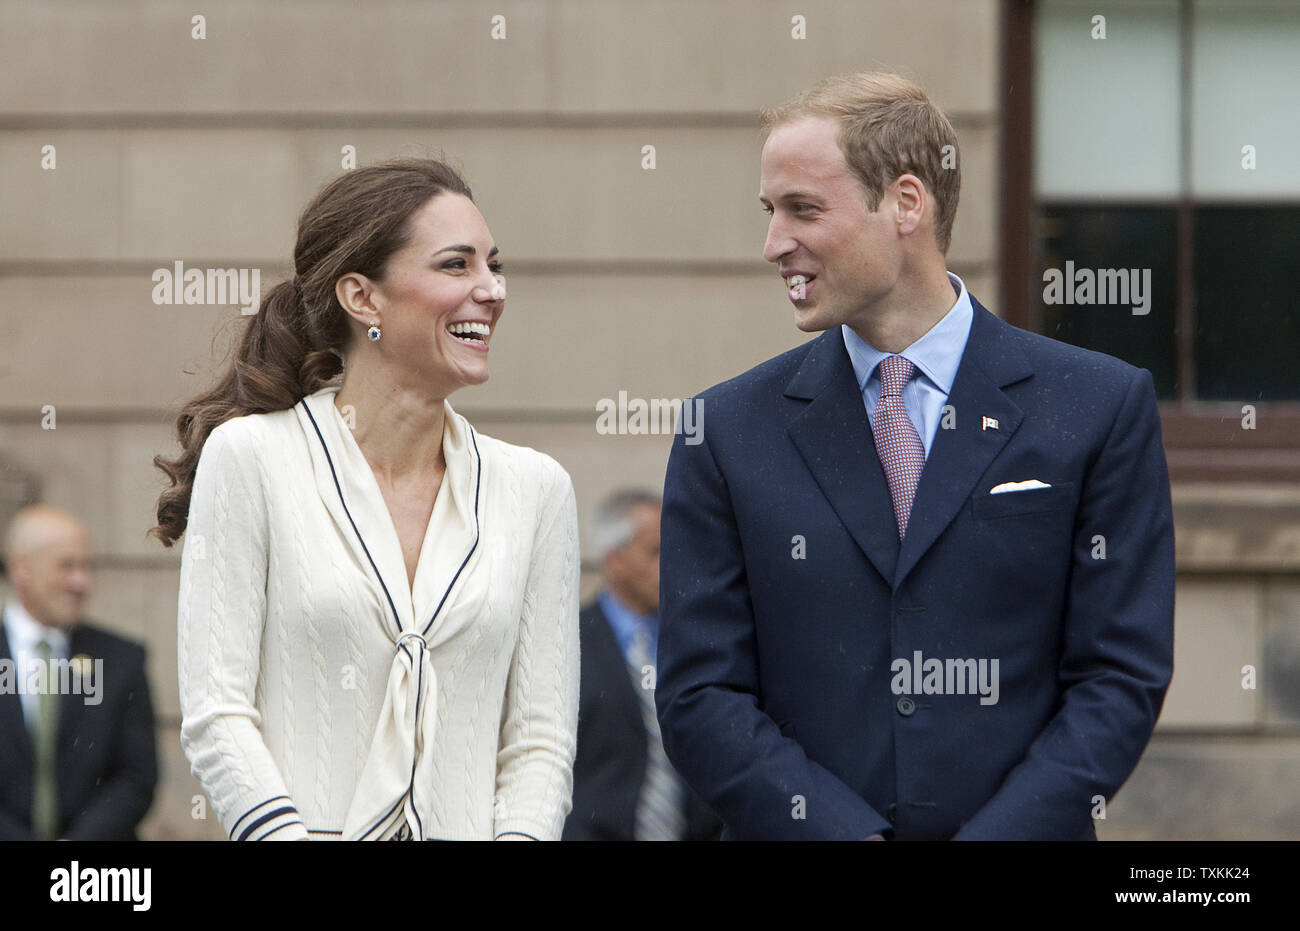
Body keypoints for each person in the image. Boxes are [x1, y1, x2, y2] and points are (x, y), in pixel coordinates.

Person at [655, 73, 1175, 840]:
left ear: (906, 203)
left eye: (803, 209)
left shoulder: (1099, 406)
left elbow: (1118, 677)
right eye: (771, 212)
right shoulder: (724, 430)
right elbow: (701, 696)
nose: (773, 245)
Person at [152, 157, 580, 841]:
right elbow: (217, 713)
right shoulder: (254, 459)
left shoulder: (535, 489)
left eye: (493, 265)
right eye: (456, 265)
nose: (491, 289)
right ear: (363, 297)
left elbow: (539, 740)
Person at [563, 490, 721, 841]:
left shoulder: (700, 642)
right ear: (614, 560)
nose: (672, 564)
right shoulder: (567, 644)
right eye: (656, 551)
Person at [0, 505, 157, 840]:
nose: (82, 582)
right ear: (20, 570)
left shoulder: (121, 659)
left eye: (86, 566)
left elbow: (137, 777)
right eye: (66, 566)